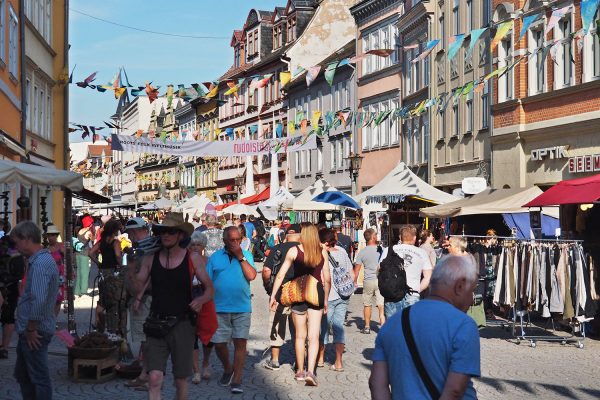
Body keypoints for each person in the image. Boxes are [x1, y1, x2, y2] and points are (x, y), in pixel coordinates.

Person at [369, 256, 481, 400]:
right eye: (471, 291)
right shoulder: (463, 325)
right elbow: (454, 391)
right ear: (459, 286)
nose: (472, 300)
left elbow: (376, 383)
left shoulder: (392, 324)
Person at [133, 212, 213, 400]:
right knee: (154, 377)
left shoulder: (192, 258)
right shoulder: (150, 259)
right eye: (162, 232)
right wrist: (131, 269)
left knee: (180, 380)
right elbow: (137, 285)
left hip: (182, 324)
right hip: (156, 323)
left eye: (171, 232)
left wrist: (200, 300)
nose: (166, 235)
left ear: (180, 235)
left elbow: (209, 289)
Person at [270, 224, 331, 387]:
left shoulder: (294, 250)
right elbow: (327, 277)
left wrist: (274, 295)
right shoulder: (322, 250)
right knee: (314, 336)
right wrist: (325, 299)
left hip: (297, 294)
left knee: (299, 336)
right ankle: (311, 371)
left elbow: (281, 274)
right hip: (316, 294)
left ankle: (300, 371)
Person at [206, 226, 257, 395]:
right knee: (219, 344)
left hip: (242, 307)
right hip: (219, 307)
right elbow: (207, 282)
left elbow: (251, 276)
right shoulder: (215, 257)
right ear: (225, 241)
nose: (236, 243)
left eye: (238, 240)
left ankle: (237, 379)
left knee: (240, 343)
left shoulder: (246, 255)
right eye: (232, 240)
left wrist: (241, 257)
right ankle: (228, 368)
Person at [11, 221, 59, 400]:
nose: (16, 247)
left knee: (38, 378)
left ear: (27, 239)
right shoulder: (38, 261)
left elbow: (38, 300)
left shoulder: (40, 264)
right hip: (31, 328)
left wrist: (31, 329)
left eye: (17, 242)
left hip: (35, 330)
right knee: (24, 376)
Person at [122, 217, 156, 389]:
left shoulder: (146, 248)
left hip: (145, 299)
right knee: (145, 339)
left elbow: (148, 277)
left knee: (147, 339)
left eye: (130, 232)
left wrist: (138, 297)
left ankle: (149, 377)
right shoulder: (143, 247)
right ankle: (144, 374)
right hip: (143, 297)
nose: (129, 236)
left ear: (135, 231)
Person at [261, 224, 301, 371]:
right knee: (299, 328)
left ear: (287, 234)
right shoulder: (305, 249)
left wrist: (269, 288)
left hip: (280, 293)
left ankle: (275, 360)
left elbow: (266, 270)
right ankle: (299, 361)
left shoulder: (277, 248)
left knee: (276, 324)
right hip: (300, 293)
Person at [317, 228, 354, 372]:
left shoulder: (321, 253)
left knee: (323, 328)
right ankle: (338, 362)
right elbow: (350, 272)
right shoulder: (343, 251)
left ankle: (320, 358)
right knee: (339, 327)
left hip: (328, 296)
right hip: (343, 295)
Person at [385, 225, 433, 319]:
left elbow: (379, 271)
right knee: (410, 329)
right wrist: (417, 289)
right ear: (415, 238)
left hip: (392, 293)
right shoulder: (421, 253)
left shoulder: (388, 250)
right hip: (412, 294)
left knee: (393, 328)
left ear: (400, 237)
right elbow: (428, 277)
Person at [90, 219, 124, 333]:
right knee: (113, 299)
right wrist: (122, 266)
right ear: (114, 230)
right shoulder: (115, 242)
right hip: (113, 272)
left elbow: (90, 253)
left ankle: (97, 322)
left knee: (102, 298)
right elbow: (118, 256)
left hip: (102, 272)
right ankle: (113, 326)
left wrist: (98, 263)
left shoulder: (101, 242)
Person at [188, 231, 213, 384]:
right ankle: (196, 370)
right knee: (192, 335)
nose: (196, 247)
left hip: (205, 295)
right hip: (190, 296)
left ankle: (205, 363)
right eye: (193, 245)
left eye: (198, 245)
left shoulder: (209, 261)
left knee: (208, 334)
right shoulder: (186, 260)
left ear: (203, 246)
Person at [354, 228, 385, 334]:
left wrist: (354, 282)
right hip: (380, 280)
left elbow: (356, 270)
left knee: (367, 304)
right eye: (375, 235)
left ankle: (367, 327)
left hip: (368, 280)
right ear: (372, 237)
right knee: (381, 304)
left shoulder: (362, 252)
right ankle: (383, 326)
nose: (377, 237)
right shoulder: (381, 250)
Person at [0, 235, 23, 359]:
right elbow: (21, 274)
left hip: (2, 287)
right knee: (9, 319)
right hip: (12, 288)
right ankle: (4, 348)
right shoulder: (18, 256)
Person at [45, 224, 65, 317]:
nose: (51, 237)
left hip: (59, 276)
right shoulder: (45, 249)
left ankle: (53, 319)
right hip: (48, 276)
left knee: (58, 299)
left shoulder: (61, 246)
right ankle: (49, 318)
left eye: (53, 235)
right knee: (49, 299)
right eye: (49, 235)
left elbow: (69, 259)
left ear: (56, 236)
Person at [74, 215, 94, 296]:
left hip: (78, 254)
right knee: (85, 273)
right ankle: (83, 291)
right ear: (90, 223)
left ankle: (77, 291)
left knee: (78, 273)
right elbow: (93, 240)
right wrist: (93, 232)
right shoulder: (88, 232)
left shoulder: (80, 230)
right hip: (85, 254)